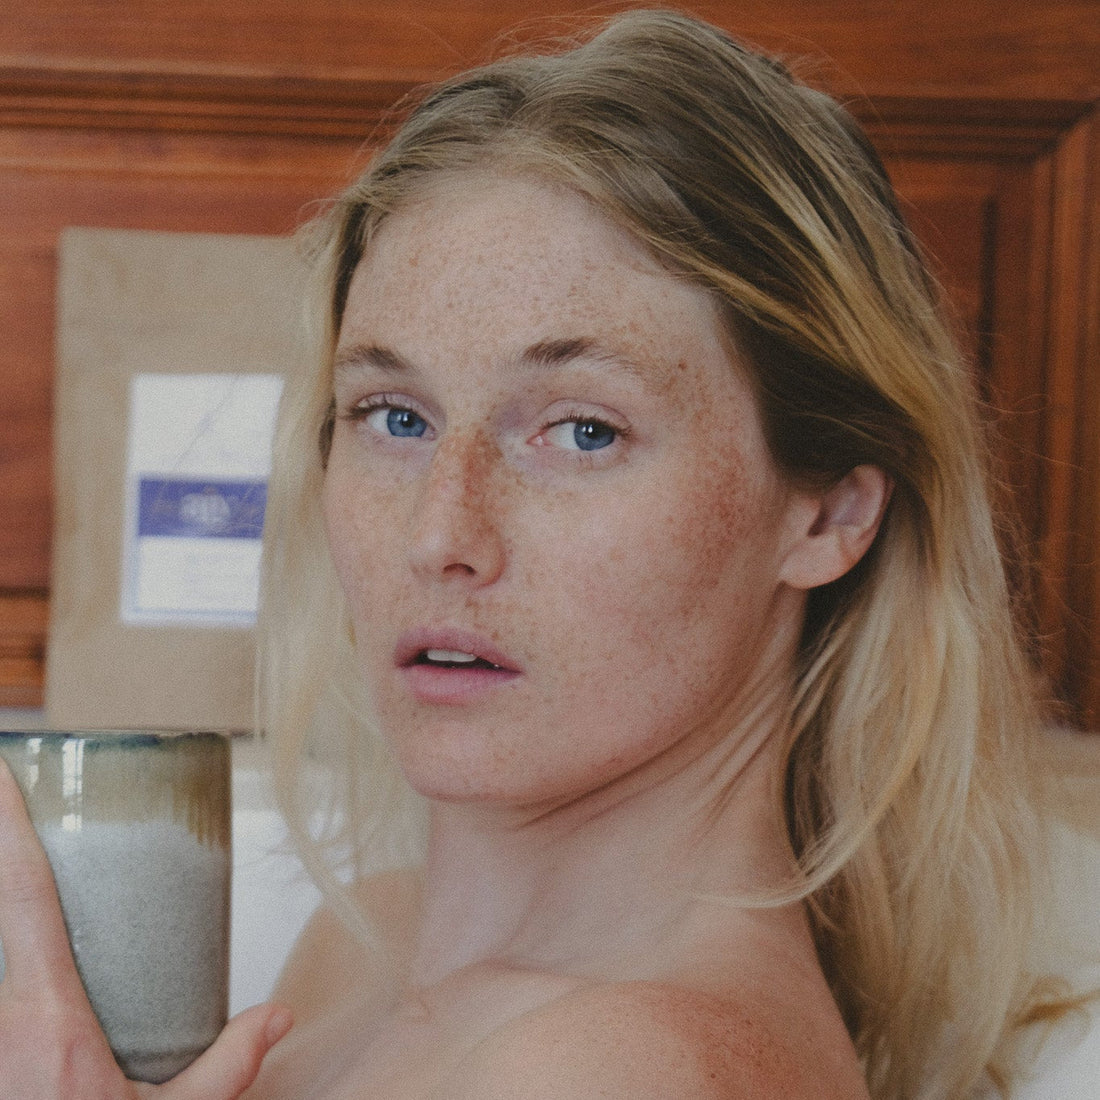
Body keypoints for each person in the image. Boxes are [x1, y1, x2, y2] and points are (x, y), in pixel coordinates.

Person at [0, 9, 1078, 1098]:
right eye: (394, 416)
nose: (439, 535)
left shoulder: (615, 1067)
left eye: (582, 431)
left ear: (829, 516)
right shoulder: (363, 946)